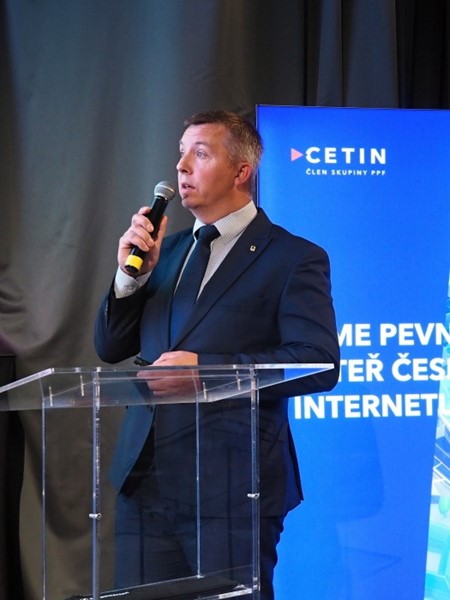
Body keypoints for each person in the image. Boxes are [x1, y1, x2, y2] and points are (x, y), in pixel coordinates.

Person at [94, 110, 340, 599]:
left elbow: (317, 362)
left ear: (241, 171)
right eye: (181, 153)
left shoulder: (293, 257)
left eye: (200, 153)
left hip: (232, 489)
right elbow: (112, 347)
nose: (182, 166)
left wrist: (207, 373)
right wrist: (128, 278)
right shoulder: (164, 252)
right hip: (144, 484)